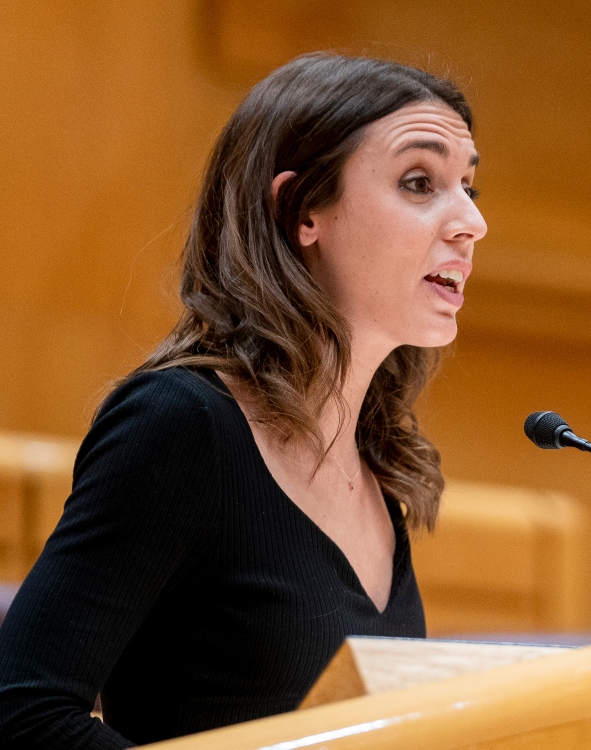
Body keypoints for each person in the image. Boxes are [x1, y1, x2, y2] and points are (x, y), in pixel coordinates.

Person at [0, 53, 486, 748]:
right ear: (299, 210)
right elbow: (22, 712)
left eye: (469, 187)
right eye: (420, 182)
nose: (472, 222)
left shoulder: (378, 466)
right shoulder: (181, 426)